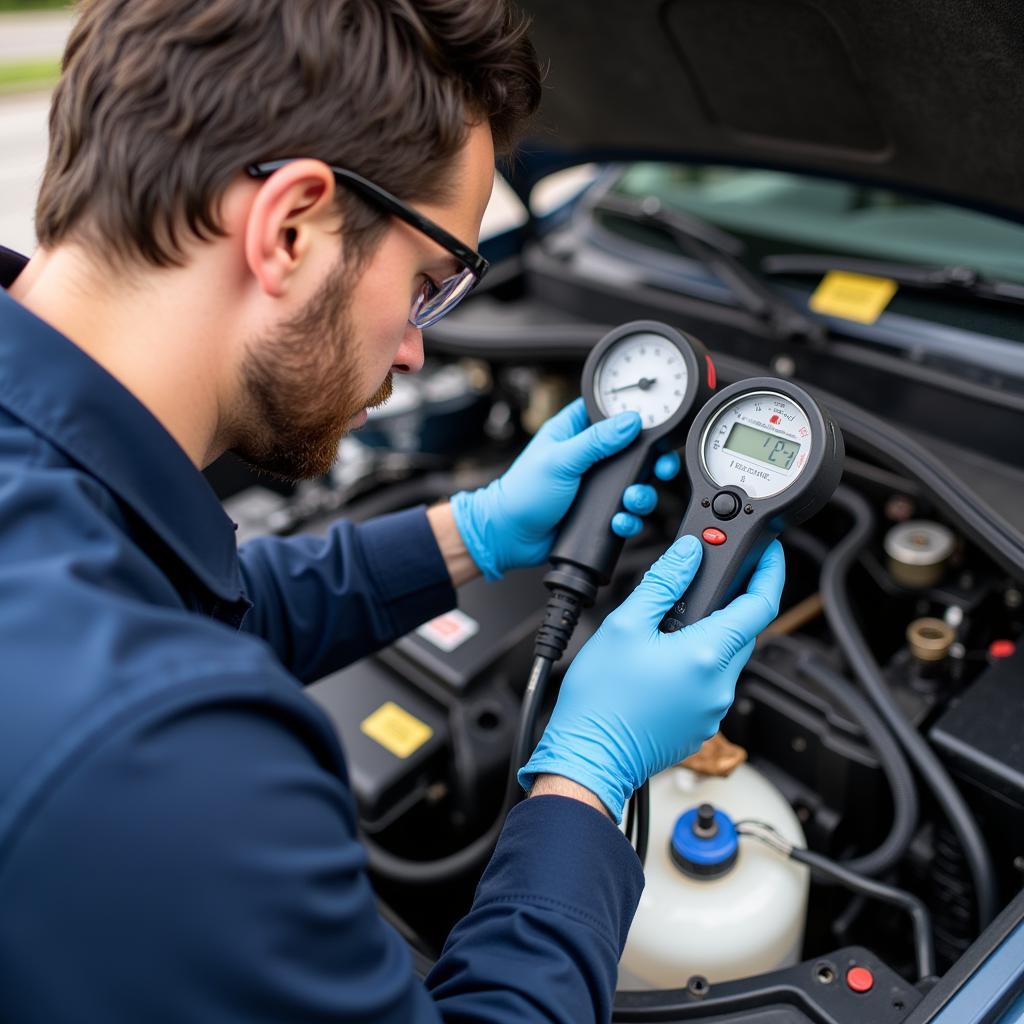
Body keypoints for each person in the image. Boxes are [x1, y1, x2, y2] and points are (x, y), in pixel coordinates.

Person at [0, 1, 784, 1021]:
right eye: (426, 283)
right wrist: (588, 779)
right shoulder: (159, 764)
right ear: (289, 227)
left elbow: (155, 601)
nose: (417, 349)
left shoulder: (62, 533)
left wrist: (474, 530)